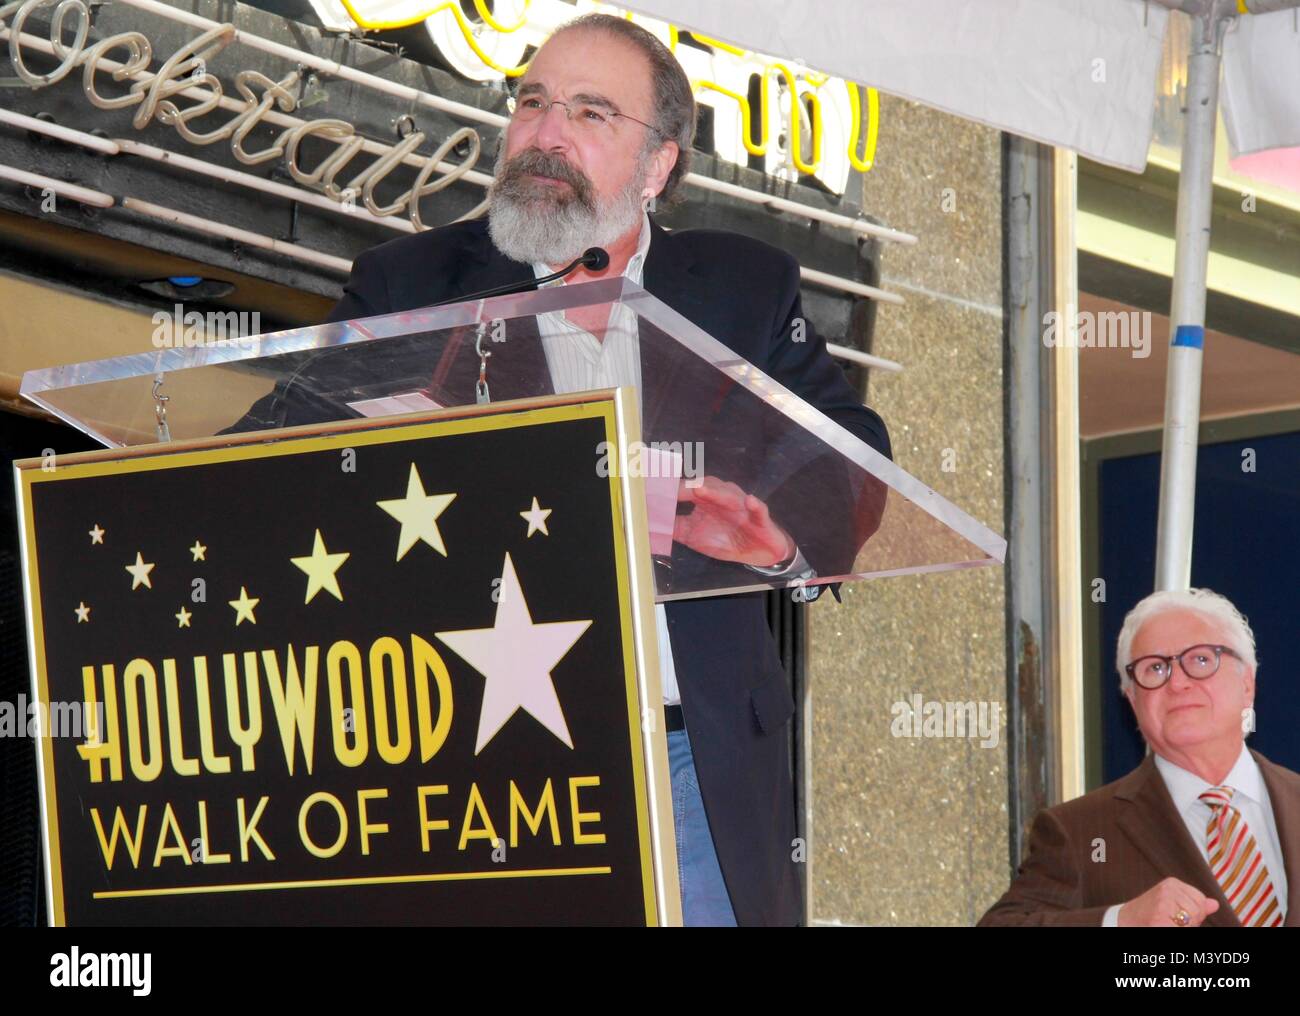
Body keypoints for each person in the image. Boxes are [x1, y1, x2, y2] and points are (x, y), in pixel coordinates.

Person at [232, 13, 890, 925]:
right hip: (468, 761)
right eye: (532, 102)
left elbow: (848, 455)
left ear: (658, 166)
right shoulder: (416, 283)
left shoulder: (743, 287)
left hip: (689, 765)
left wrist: (774, 531)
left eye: (589, 113)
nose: (545, 133)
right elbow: (263, 457)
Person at [980, 588, 1300, 927]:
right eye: (1155, 668)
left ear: (1247, 682)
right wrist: (1120, 921)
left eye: (1202, 660)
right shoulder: (1081, 833)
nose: (1177, 683)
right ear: (1132, 699)